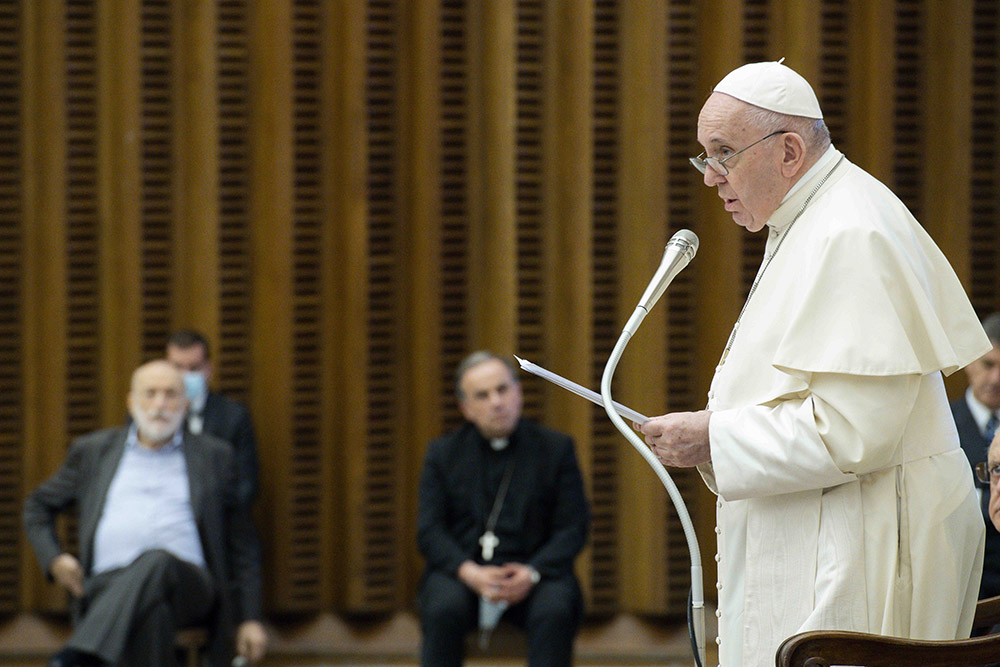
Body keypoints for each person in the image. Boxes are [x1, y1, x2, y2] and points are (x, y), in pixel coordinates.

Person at [637, 60, 990, 667]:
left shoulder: (849, 231)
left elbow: (853, 433)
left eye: (721, 153)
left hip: (877, 535)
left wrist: (713, 438)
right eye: (703, 156)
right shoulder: (810, 218)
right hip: (845, 523)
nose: (709, 177)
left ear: (790, 152)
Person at [23, 360, 267, 667]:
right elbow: (37, 506)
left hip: (189, 586)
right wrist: (54, 558)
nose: (160, 405)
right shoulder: (93, 451)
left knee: (157, 559)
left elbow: (242, 542)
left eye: (170, 394)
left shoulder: (214, 455)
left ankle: (79, 656)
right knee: (153, 614)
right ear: (131, 401)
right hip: (106, 586)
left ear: (186, 402)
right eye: (149, 394)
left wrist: (250, 618)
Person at [416, 351, 590, 667]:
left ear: (518, 392)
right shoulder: (443, 454)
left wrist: (532, 572)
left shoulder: (555, 449)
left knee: (555, 608)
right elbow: (429, 530)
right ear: (466, 408)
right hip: (465, 573)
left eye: (503, 389)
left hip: (535, 573)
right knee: (442, 606)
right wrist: (470, 573)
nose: (497, 402)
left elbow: (573, 527)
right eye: (482, 395)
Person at [166, 329, 259, 506]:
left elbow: (247, 486)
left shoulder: (234, 416)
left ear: (208, 369)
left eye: (194, 368)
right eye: (177, 367)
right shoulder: (152, 416)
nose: (185, 376)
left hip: (220, 516)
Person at [954, 312, 1000, 601]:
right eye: (988, 365)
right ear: (969, 361)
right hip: (962, 585)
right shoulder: (937, 428)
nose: (996, 379)